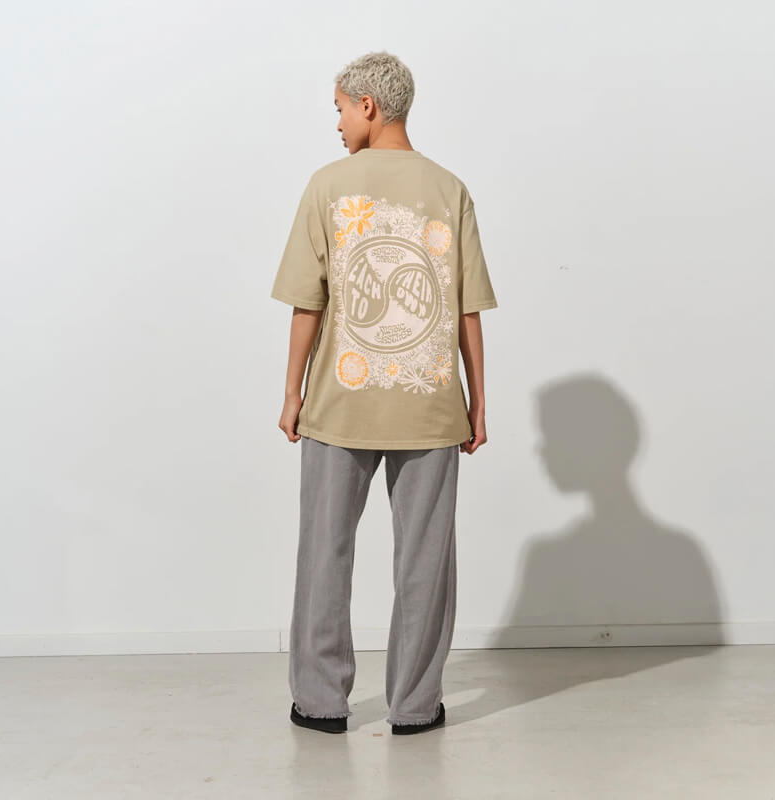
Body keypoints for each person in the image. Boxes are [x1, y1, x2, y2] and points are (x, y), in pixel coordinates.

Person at [270, 51, 499, 735]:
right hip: (431, 405)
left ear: (367, 105)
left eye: (340, 109)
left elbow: (307, 304)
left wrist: (292, 393)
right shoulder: (450, 189)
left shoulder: (327, 186)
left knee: (323, 554)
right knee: (426, 562)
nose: (338, 123)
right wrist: (477, 401)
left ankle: (319, 702)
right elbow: (467, 310)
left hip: (339, 405)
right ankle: (415, 707)